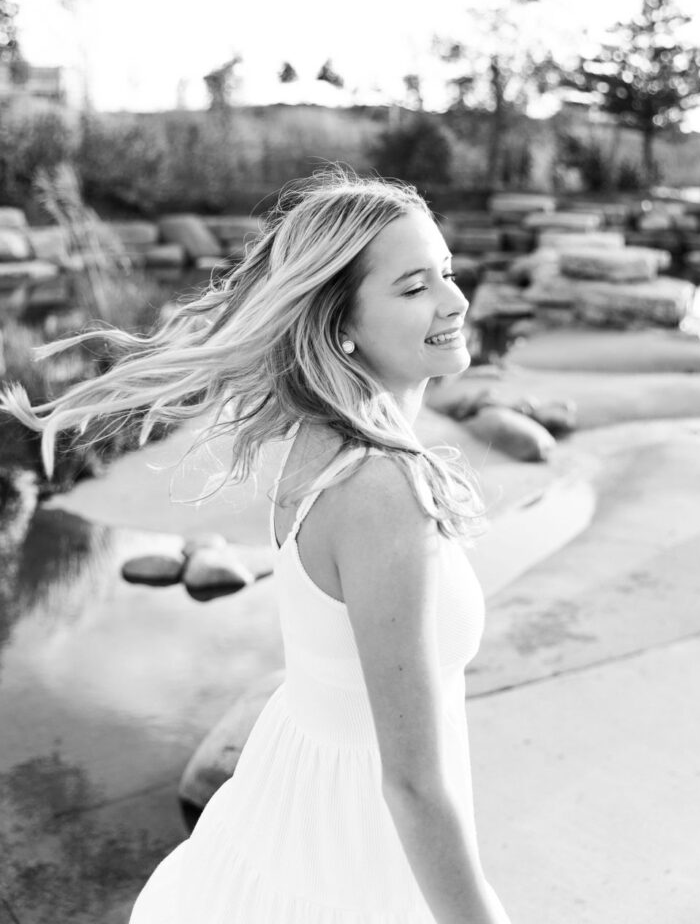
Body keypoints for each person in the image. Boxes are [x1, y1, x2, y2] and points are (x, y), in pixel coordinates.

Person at [1, 167, 513, 923]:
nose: (453, 300)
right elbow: (412, 783)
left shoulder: (321, 441)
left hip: (297, 789)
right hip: (353, 838)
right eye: (412, 288)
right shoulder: (382, 490)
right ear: (340, 322)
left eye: (445, 272)